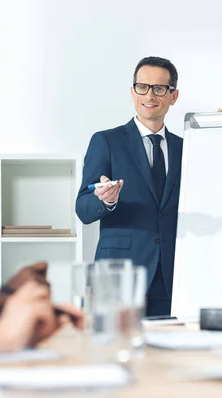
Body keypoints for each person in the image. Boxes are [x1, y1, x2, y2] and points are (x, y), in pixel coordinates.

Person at [76, 56, 182, 317]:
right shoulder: (107, 141)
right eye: (142, 87)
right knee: (114, 351)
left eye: (159, 88)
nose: (150, 95)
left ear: (173, 96)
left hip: (173, 274)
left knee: (169, 352)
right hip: (120, 273)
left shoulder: (185, 147)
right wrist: (104, 200)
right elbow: (83, 209)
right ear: (132, 92)